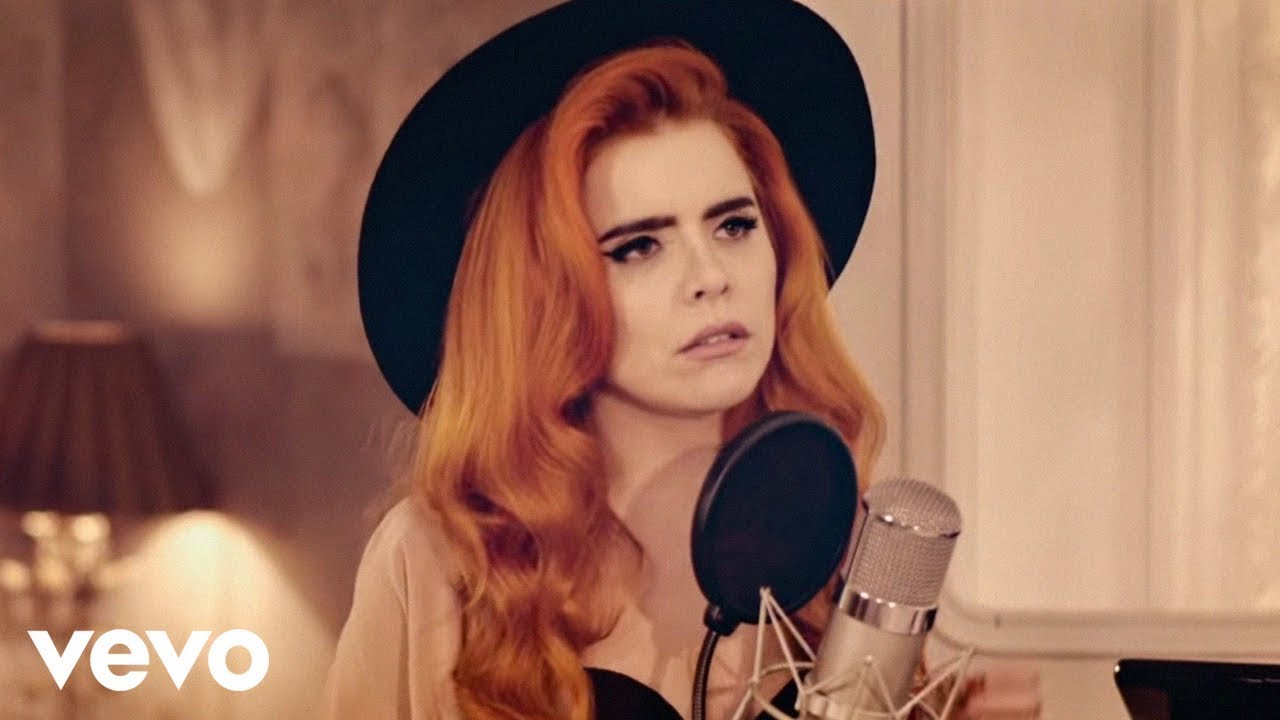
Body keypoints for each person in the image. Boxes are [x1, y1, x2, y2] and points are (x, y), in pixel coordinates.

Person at [323, 2, 1041, 719]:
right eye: (639, 246)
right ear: (544, 296)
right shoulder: (442, 563)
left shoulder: (849, 551)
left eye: (734, 226)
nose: (710, 276)